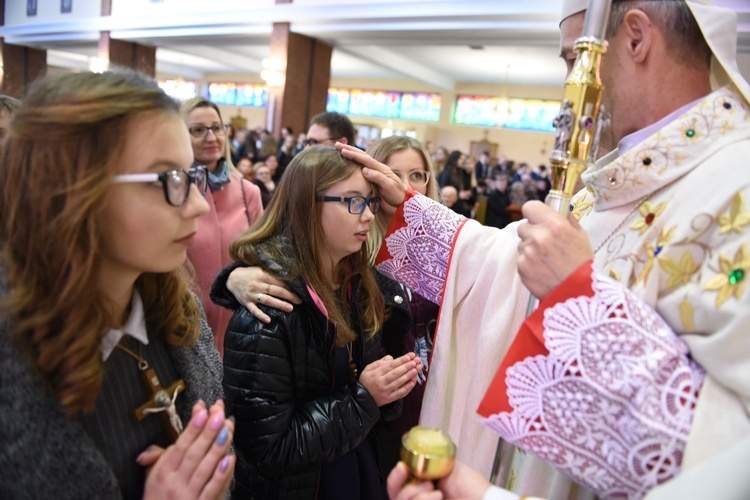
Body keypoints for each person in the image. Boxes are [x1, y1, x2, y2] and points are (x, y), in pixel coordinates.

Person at [337, 0, 750, 497]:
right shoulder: (617, 181)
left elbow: (728, 459)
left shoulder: (736, 190)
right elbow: (507, 263)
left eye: (573, 59)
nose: (570, 89)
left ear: (636, 38)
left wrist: (579, 299)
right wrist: (408, 210)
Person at [0, 70, 234, 499]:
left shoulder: (177, 306)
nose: (199, 205)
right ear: (71, 190)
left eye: (190, 175)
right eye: (168, 179)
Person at [211, 146, 421, 499]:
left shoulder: (359, 283)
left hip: (356, 469)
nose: (368, 215)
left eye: (370, 202)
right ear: (309, 204)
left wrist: (385, 388)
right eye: (354, 201)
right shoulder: (269, 310)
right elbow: (266, 449)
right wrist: (365, 397)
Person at [182, 97, 263, 356]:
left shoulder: (247, 191)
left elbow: (262, 257)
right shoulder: (173, 192)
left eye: (217, 127)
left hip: (237, 327)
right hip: (184, 321)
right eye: (198, 130)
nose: (211, 136)